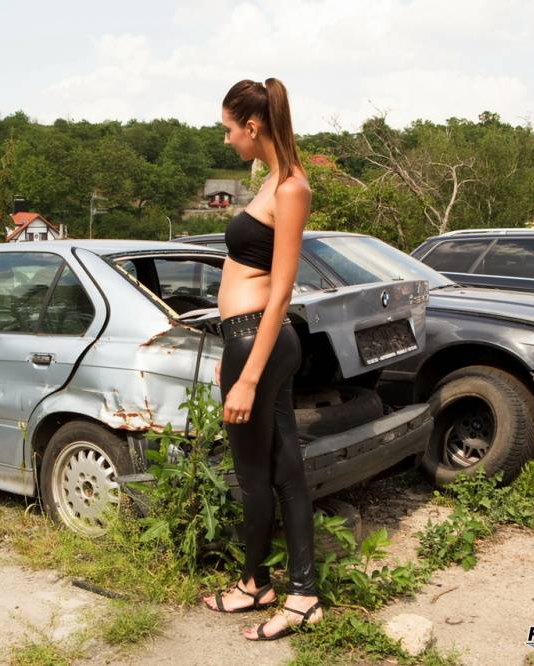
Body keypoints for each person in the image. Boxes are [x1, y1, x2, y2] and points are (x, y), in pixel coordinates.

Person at [200, 79, 322, 641]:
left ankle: (260, 584)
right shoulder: (271, 180)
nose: (226, 140)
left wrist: (247, 378)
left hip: (257, 343)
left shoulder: (291, 187)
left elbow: (282, 291)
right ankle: (291, 591)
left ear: (252, 127)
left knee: (255, 477)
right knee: (285, 470)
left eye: (229, 128)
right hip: (251, 338)